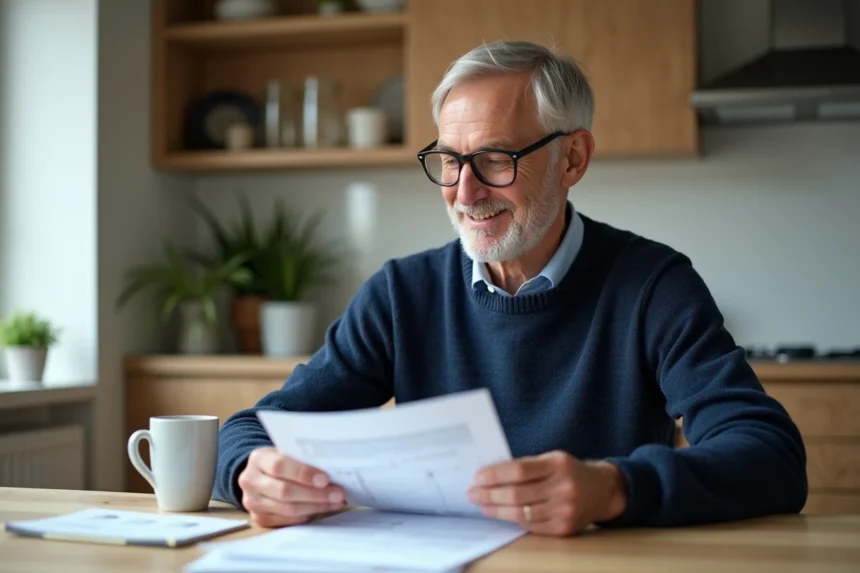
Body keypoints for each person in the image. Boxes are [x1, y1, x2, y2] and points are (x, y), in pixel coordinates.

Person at [212, 41, 807, 537]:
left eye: (496, 159)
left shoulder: (652, 286)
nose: (465, 192)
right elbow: (252, 428)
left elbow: (770, 455)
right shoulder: (402, 294)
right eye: (450, 160)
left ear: (572, 159)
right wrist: (250, 472)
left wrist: (616, 488)